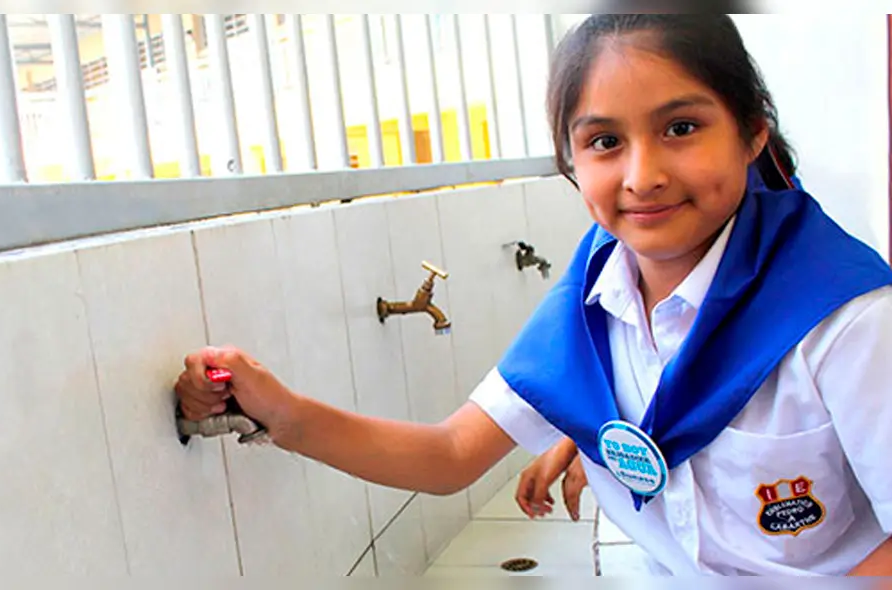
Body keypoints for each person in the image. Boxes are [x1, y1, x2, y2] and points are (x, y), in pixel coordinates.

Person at [174, 14, 892, 576]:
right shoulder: (593, 300)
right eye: (605, 141)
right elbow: (451, 455)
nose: (642, 175)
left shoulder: (848, 322)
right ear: (570, 160)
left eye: (681, 128)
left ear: (751, 131)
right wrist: (282, 411)